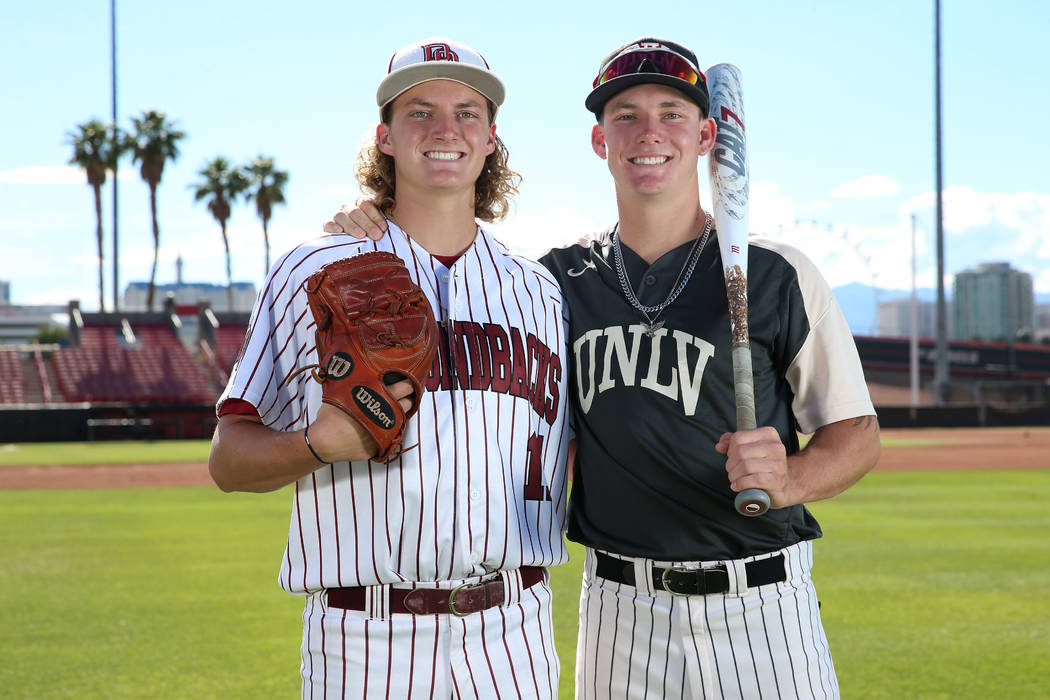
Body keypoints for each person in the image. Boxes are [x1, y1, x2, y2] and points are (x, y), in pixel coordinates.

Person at [327, 37, 881, 700]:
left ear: (707, 135)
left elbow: (855, 432)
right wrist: (373, 228)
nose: (650, 132)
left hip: (760, 603)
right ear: (600, 142)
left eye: (672, 113)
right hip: (620, 610)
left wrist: (790, 478)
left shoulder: (775, 274)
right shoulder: (553, 283)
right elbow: (453, 308)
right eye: (626, 116)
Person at [210, 37, 571, 699]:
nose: (445, 129)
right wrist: (319, 444)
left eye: (467, 112)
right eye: (419, 111)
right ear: (385, 137)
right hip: (364, 638)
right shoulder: (316, 270)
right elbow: (228, 460)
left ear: (491, 139)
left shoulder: (540, 292)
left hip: (516, 632)